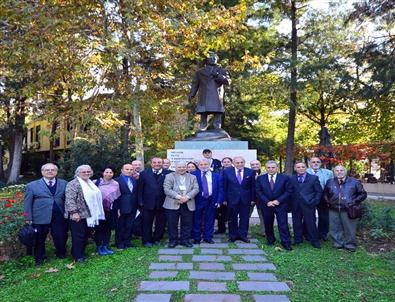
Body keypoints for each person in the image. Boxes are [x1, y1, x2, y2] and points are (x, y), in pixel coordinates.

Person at [24, 163, 68, 266]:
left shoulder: (64, 183)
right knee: (39, 238)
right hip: (39, 216)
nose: (50, 171)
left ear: (56, 172)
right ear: (42, 172)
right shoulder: (32, 186)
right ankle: (40, 258)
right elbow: (27, 203)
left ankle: (61, 254)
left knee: (60, 235)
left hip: (59, 216)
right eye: (47, 170)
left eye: (52, 170)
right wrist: (28, 217)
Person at [65, 165, 105, 263]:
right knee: (79, 236)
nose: (86, 173)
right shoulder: (73, 183)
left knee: (85, 235)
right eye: (84, 172)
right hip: (78, 214)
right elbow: (70, 199)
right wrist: (74, 212)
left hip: (88, 214)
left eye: (88, 171)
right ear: (78, 173)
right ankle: (78, 256)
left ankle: (80, 252)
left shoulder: (90, 183)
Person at [324, 165, 367, 251]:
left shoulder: (354, 182)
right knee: (334, 228)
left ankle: (350, 244)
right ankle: (337, 243)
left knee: (350, 228)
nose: (339, 172)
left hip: (348, 209)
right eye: (337, 170)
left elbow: (363, 194)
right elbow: (325, 193)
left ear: (345, 172)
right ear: (334, 172)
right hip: (333, 209)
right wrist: (327, 202)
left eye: (341, 170)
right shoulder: (330, 182)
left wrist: (353, 202)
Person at [256, 160, 293, 250]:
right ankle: (270, 240)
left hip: (281, 205)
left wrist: (278, 200)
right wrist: (267, 201)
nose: (271, 169)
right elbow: (258, 191)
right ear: (265, 168)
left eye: (273, 167)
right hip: (266, 205)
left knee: (283, 224)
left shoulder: (284, 178)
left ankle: (286, 242)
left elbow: (289, 191)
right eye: (268, 167)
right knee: (268, 223)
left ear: (277, 168)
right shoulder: (260, 178)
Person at [188, 52, 231, 130]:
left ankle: (217, 129)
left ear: (217, 59)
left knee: (217, 114)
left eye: (214, 57)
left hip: (217, 96)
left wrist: (217, 75)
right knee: (203, 114)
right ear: (207, 59)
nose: (213, 59)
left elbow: (227, 82)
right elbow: (195, 84)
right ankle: (202, 128)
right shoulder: (200, 72)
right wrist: (192, 94)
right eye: (210, 57)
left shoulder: (222, 71)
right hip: (204, 96)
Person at [163, 161, 200, 248]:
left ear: (186, 168)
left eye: (183, 167)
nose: (181, 169)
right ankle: (173, 240)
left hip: (188, 203)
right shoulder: (169, 176)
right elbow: (167, 189)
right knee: (172, 224)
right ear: (175, 168)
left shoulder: (192, 177)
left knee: (187, 224)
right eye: (179, 167)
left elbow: (196, 189)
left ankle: (185, 240)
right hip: (172, 203)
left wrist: (187, 197)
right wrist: (179, 197)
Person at [138, 157, 171, 247]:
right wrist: (140, 202)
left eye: (159, 162)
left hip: (163, 203)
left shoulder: (169, 173)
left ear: (162, 163)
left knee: (161, 223)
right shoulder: (144, 174)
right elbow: (140, 189)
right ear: (151, 163)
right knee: (146, 223)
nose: (157, 164)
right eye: (154, 162)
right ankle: (147, 241)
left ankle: (157, 239)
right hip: (147, 203)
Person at [290, 162, 322, 248]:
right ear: (295, 169)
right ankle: (297, 239)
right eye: (298, 167)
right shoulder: (291, 178)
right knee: (296, 222)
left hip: (309, 204)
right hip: (295, 204)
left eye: (303, 167)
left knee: (311, 222)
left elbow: (318, 192)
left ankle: (314, 240)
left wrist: (314, 201)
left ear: (306, 168)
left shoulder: (313, 178)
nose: (301, 168)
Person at [223, 156, 255, 243]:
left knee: (244, 218)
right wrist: (224, 199)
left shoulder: (250, 172)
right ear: (233, 163)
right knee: (232, 218)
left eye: (241, 162)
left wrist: (253, 199)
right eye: (237, 163)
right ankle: (233, 235)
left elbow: (253, 187)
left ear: (244, 163)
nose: (240, 164)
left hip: (246, 199)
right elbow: (224, 186)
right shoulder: (227, 172)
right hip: (231, 199)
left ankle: (243, 235)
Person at [192, 159, 224, 244]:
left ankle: (208, 237)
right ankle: (197, 238)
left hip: (212, 200)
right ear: (198, 166)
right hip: (197, 200)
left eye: (205, 164)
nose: (203, 166)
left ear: (209, 165)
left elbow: (221, 189)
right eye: (201, 164)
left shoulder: (217, 176)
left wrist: (219, 201)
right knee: (197, 220)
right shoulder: (193, 175)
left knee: (210, 219)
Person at [93, 166, 121, 255]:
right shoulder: (95, 182)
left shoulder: (115, 184)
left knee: (107, 228)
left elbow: (117, 197)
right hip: (98, 210)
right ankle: (99, 247)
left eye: (111, 172)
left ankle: (105, 246)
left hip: (110, 210)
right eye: (106, 172)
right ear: (103, 173)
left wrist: (118, 210)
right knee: (99, 229)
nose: (108, 174)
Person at [306, 157, 333, 241]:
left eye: (318, 162)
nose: (316, 163)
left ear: (321, 163)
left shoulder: (328, 172)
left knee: (324, 217)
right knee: (310, 216)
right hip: (309, 197)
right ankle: (308, 234)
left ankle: (322, 234)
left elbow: (331, 186)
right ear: (309, 163)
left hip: (323, 196)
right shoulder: (304, 171)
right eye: (313, 162)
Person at [113, 163, 138, 249]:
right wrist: (117, 208)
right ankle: (119, 242)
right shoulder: (116, 181)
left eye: (131, 169)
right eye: (127, 169)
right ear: (122, 170)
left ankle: (127, 241)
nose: (129, 171)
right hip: (121, 206)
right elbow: (115, 196)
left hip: (133, 206)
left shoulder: (134, 180)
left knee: (129, 224)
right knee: (120, 225)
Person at [214, 157, 233, 234]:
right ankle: (221, 229)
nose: (226, 163)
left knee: (230, 214)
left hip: (231, 195)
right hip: (220, 194)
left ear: (231, 162)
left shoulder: (234, 171)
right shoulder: (218, 170)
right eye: (224, 162)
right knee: (220, 214)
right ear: (222, 163)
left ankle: (232, 230)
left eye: (228, 162)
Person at [249, 160, 265, 237]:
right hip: (250, 198)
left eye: (256, 164)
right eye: (252, 164)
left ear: (260, 165)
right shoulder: (247, 174)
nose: (255, 166)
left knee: (263, 215)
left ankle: (264, 232)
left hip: (261, 199)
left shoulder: (265, 174)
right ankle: (243, 231)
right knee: (246, 215)